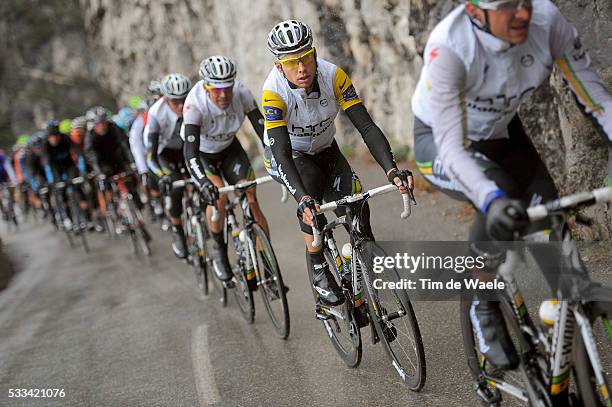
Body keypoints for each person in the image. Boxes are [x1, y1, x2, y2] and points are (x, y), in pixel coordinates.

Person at [411, 0, 612, 370]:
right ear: (474, 11)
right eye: (507, 6)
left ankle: (576, 347)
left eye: (524, 1)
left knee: (552, 227)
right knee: (500, 195)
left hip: (503, 133)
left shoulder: (548, 20)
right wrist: (492, 200)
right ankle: (482, 296)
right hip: (442, 143)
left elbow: (597, 100)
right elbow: (453, 150)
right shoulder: (450, 48)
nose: (522, 13)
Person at [262, 20, 414, 306]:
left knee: (357, 208)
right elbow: (281, 153)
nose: (302, 68)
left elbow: (366, 127)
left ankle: (365, 289)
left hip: (327, 149)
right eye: (292, 62)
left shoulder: (333, 76)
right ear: (279, 65)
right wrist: (302, 198)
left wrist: (391, 169)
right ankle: (318, 265)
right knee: (312, 211)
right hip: (292, 156)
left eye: (306, 58)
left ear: (314, 53)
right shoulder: (273, 92)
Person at [183, 55, 269, 287]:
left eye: (227, 88)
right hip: (203, 155)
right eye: (216, 89)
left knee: (250, 197)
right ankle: (219, 250)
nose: (223, 95)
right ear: (206, 86)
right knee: (219, 197)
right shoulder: (194, 104)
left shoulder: (242, 93)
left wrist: (275, 160)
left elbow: (263, 132)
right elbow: (189, 153)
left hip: (231, 150)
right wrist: (202, 182)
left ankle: (269, 267)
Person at [145, 73, 191, 258]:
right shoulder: (156, 113)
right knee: (175, 186)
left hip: (187, 149)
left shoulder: (194, 104)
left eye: (184, 100)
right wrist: (160, 175)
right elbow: (151, 155)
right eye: (175, 102)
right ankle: (178, 230)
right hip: (165, 155)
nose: (180, 106)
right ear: (165, 99)